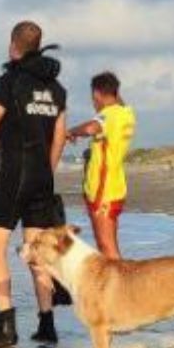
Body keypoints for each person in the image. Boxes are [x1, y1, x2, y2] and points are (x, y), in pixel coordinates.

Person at [0, 21, 67, 348]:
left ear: (13, 45)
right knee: (37, 252)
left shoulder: (8, 81)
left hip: (14, 174)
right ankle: (47, 324)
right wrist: (46, 171)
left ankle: (5, 324)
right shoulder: (57, 89)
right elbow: (59, 138)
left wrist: (2, 147)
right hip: (42, 176)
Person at [68, 72, 136, 260]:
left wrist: (70, 132)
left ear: (97, 94)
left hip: (103, 190)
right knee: (109, 244)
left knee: (107, 247)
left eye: (93, 97)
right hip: (115, 185)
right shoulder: (126, 113)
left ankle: (121, 288)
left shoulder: (109, 115)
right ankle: (119, 285)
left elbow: (90, 128)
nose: (93, 102)